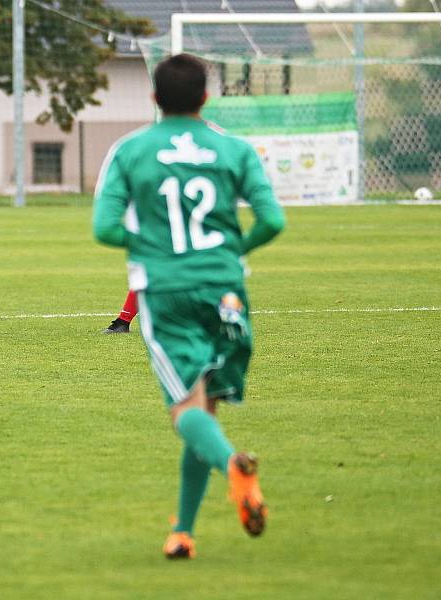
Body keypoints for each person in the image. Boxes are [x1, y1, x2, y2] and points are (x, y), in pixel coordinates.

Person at [93, 54, 285, 559]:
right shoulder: (233, 148)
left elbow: (105, 228)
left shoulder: (130, 151)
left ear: (154, 99)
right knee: (206, 409)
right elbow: (271, 221)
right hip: (225, 290)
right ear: (205, 97)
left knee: (185, 412)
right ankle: (183, 531)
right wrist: (232, 251)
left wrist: (156, 248)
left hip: (167, 291)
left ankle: (235, 471)